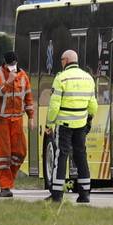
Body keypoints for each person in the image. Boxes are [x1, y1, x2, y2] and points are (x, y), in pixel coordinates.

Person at [45, 49, 97, 204]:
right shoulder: (88, 78)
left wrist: (49, 124)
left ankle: (57, 194)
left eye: (61, 60)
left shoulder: (61, 78)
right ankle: (85, 194)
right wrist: (88, 120)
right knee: (81, 156)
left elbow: (54, 105)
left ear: (66, 61)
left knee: (61, 156)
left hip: (64, 125)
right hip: (81, 124)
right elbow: (93, 105)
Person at [0, 50, 35, 198]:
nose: (12, 66)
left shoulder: (23, 76)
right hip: (1, 120)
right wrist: (7, 83)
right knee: (4, 156)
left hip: (17, 120)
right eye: (10, 64)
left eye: (14, 63)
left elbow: (28, 97)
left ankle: (9, 180)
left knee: (20, 153)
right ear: (5, 63)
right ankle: (5, 187)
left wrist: (31, 117)